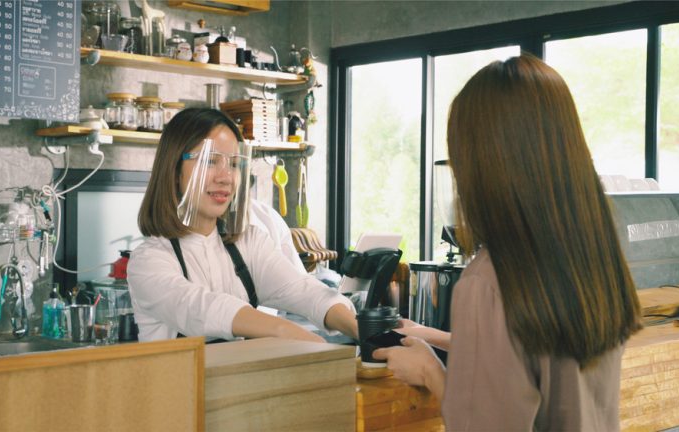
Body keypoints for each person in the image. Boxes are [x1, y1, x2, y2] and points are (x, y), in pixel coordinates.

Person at [373, 54, 643, 430]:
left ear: (484, 165)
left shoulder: (488, 281)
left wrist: (431, 372)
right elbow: (538, 353)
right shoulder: (592, 257)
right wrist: (434, 336)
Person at [127, 108, 357, 343]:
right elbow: (204, 309)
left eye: (234, 163)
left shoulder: (249, 243)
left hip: (242, 380)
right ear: (174, 170)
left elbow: (303, 291)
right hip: (180, 381)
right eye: (210, 161)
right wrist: (285, 331)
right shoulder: (149, 261)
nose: (226, 177)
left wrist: (361, 329)